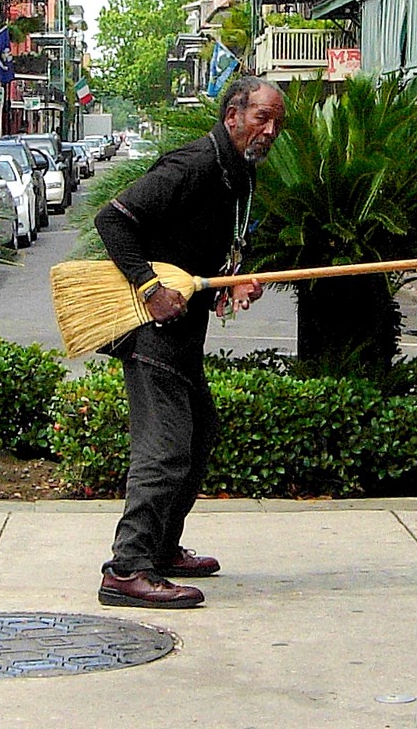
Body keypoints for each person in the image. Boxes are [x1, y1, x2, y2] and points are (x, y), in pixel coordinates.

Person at [93, 75, 285, 609]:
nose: (269, 131)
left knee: (198, 438)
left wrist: (229, 282)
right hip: (150, 333)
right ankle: (128, 568)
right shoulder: (194, 165)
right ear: (232, 116)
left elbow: (198, 253)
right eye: (260, 118)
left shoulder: (237, 174)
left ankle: (163, 547)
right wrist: (150, 288)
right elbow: (113, 220)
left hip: (182, 335)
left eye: (276, 123)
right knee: (166, 452)